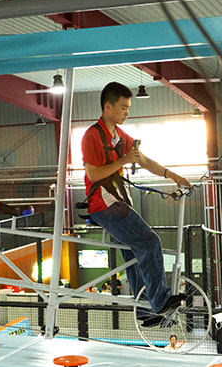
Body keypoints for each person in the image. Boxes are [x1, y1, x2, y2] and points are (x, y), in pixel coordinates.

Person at [82, 82, 191, 327]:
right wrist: (123, 160)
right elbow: (94, 174)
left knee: (133, 254)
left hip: (118, 202)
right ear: (108, 107)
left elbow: (144, 160)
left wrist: (172, 175)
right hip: (104, 205)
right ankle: (160, 301)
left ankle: (144, 310)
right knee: (150, 242)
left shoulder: (121, 137)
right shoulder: (92, 136)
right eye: (123, 107)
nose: (127, 112)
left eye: (128, 108)